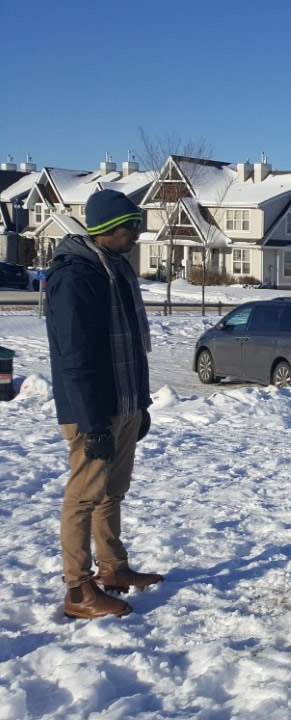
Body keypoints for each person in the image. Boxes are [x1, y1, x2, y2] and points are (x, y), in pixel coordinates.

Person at [45, 189, 164, 619]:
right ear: (103, 230)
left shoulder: (115, 269)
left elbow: (132, 345)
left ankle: (113, 569)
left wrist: (141, 404)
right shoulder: (75, 276)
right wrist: (93, 422)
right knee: (83, 497)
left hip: (124, 403)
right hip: (93, 410)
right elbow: (75, 355)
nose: (136, 234)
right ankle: (78, 590)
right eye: (129, 227)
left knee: (113, 492)